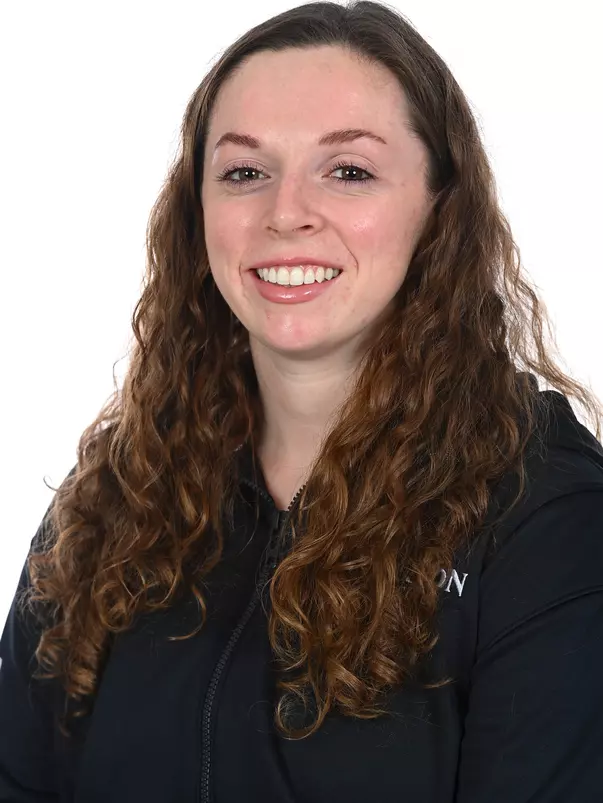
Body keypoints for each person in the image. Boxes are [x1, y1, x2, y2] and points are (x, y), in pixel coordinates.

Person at [1, 1, 603, 800]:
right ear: (197, 212)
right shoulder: (118, 498)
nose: (285, 213)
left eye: (347, 170)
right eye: (244, 172)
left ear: (438, 208)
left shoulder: (547, 517)